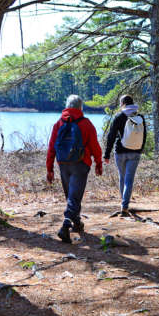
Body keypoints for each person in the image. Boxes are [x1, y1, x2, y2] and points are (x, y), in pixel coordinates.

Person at [46, 94, 103, 243]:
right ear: (80, 107)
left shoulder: (58, 123)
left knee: (72, 196)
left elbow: (52, 147)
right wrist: (98, 163)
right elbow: (95, 146)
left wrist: (50, 168)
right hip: (81, 163)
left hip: (63, 163)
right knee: (74, 196)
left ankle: (76, 222)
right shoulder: (86, 123)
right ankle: (65, 226)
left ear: (67, 106)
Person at [103, 94, 146, 216]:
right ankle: (124, 205)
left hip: (120, 152)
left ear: (122, 104)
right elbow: (144, 135)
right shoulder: (140, 117)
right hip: (135, 153)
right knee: (129, 180)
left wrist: (106, 154)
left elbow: (111, 136)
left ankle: (124, 204)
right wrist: (139, 149)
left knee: (123, 178)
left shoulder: (119, 116)